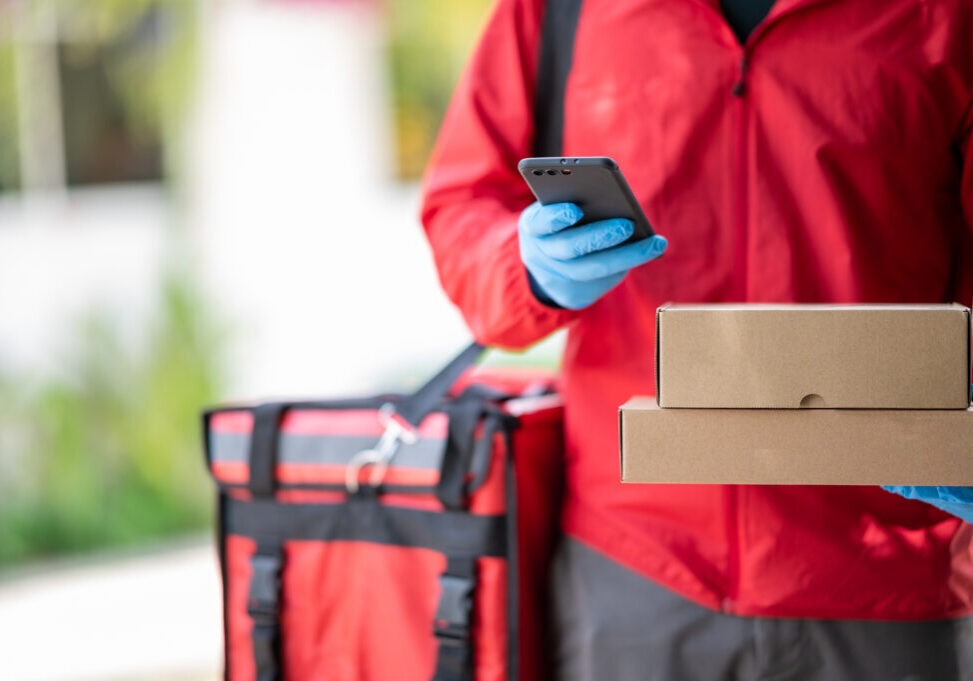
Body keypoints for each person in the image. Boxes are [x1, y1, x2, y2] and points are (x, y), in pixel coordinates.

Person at [420, 0, 973, 679]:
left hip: (889, 571)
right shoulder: (558, 9)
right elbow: (461, 206)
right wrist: (527, 269)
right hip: (633, 567)